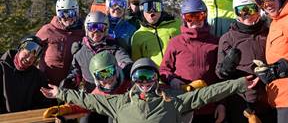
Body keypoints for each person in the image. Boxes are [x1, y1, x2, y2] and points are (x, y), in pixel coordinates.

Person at [41, 58, 258, 123]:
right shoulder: (119, 103)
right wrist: (60, 94)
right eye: (139, 77)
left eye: (149, 76)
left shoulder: (173, 100)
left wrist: (238, 84)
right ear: (133, 80)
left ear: (156, 78)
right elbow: (88, 100)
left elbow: (206, 94)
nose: (144, 82)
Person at [215, 0, 276, 123]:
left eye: (251, 9)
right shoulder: (228, 39)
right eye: (242, 10)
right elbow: (220, 76)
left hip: (270, 101)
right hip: (241, 103)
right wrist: (225, 69)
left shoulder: (269, 33)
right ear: (235, 14)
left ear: (259, 11)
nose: (247, 15)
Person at [160, 0, 223, 123]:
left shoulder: (215, 42)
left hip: (209, 105)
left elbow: (222, 77)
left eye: (199, 16)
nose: (195, 21)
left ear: (205, 16)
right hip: (183, 104)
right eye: (190, 17)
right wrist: (172, 80)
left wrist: (222, 104)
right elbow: (164, 70)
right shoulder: (176, 43)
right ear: (184, 19)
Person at [44, 51, 131, 123]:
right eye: (100, 75)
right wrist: (63, 110)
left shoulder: (129, 86)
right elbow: (84, 102)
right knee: (88, 118)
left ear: (116, 70)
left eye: (109, 72)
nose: (107, 78)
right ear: (95, 78)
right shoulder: (100, 92)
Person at [60, 11, 132, 93]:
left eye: (100, 28)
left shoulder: (113, 47)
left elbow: (123, 59)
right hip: (91, 93)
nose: (96, 32)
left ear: (106, 29)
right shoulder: (81, 50)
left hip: (111, 90)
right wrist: (72, 79)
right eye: (92, 27)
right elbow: (76, 70)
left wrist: (127, 67)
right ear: (86, 29)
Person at [37, 0, 85, 86]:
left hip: (69, 84)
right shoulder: (48, 30)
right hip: (46, 81)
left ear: (77, 13)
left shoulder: (81, 34)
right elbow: (32, 50)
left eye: (71, 13)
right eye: (63, 14)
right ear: (58, 14)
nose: (67, 17)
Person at [0, 35, 52, 113]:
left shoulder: (38, 77)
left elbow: (45, 102)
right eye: (27, 54)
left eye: (32, 58)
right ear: (20, 49)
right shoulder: (2, 68)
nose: (28, 59)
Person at [131, 0, 181, 66]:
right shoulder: (138, 36)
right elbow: (137, 63)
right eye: (147, 7)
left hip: (177, 73)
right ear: (142, 10)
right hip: (154, 75)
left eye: (156, 7)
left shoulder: (176, 24)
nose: (152, 11)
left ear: (161, 9)